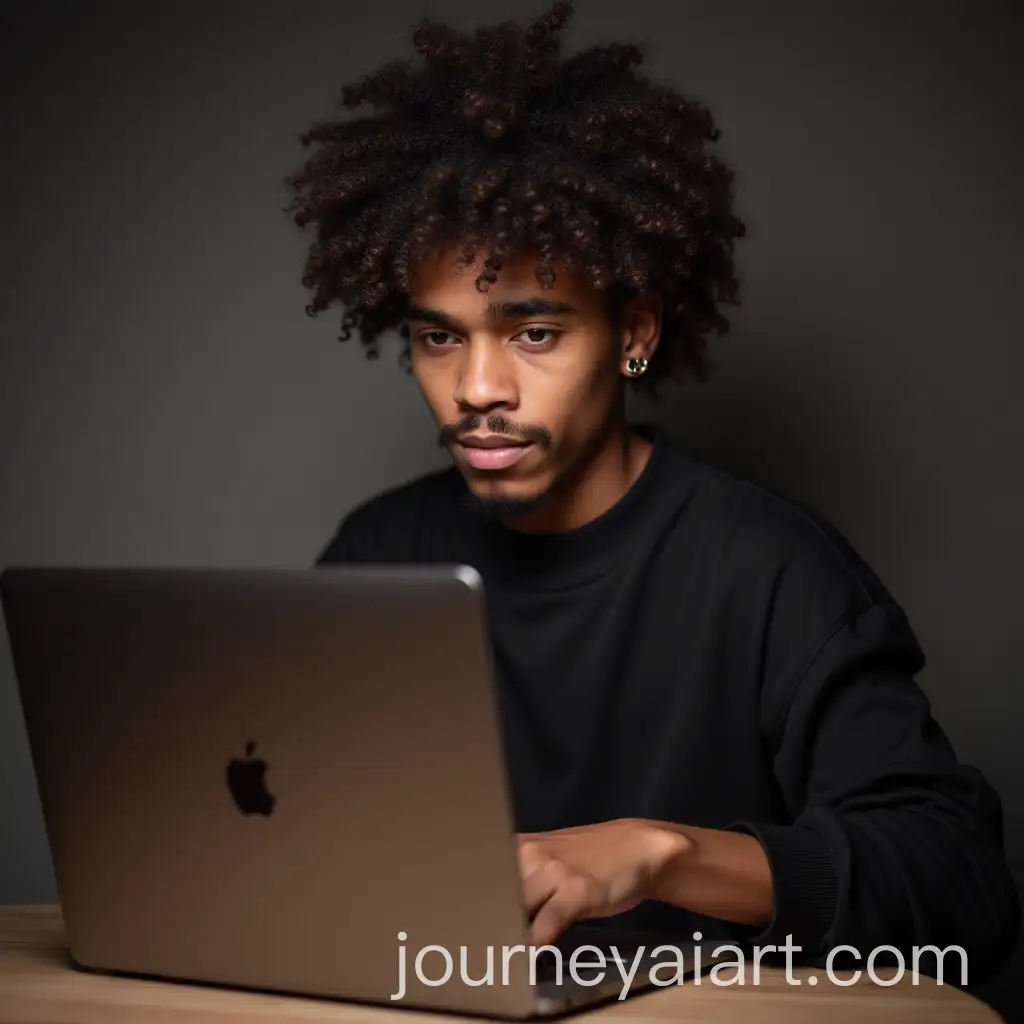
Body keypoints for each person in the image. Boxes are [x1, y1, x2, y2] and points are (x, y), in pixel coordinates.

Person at [285, 0, 1020, 984]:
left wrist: (665, 854)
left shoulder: (768, 565)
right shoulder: (377, 552)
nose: (476, 388)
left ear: (634, 332)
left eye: (534, 332)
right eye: (438, 336)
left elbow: (959, 884)